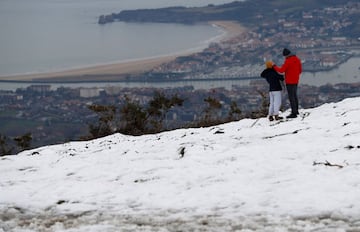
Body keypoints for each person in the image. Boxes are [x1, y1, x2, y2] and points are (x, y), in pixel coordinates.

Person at [272, 48, 302, 118]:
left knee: (291, 97)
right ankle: (296, 110)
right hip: (296, 80)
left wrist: (274, 66)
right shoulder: (297, 59)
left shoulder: (288, 61)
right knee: (294, 96)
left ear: (286, 55)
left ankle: (294, 113)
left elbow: (281, 70)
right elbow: (300, 70)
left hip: (289, 81)